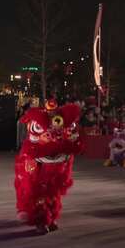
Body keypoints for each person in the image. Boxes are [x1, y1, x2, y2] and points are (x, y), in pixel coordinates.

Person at [14, 99, 83, 234]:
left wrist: (67, 138)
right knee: (39, 192)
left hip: (57, 162)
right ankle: (41, 220)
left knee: (54, 193)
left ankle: (51, 217)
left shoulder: (65, 123)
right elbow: (33, 140)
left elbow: (73, 138)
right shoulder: (36, 124)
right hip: (40, 163)